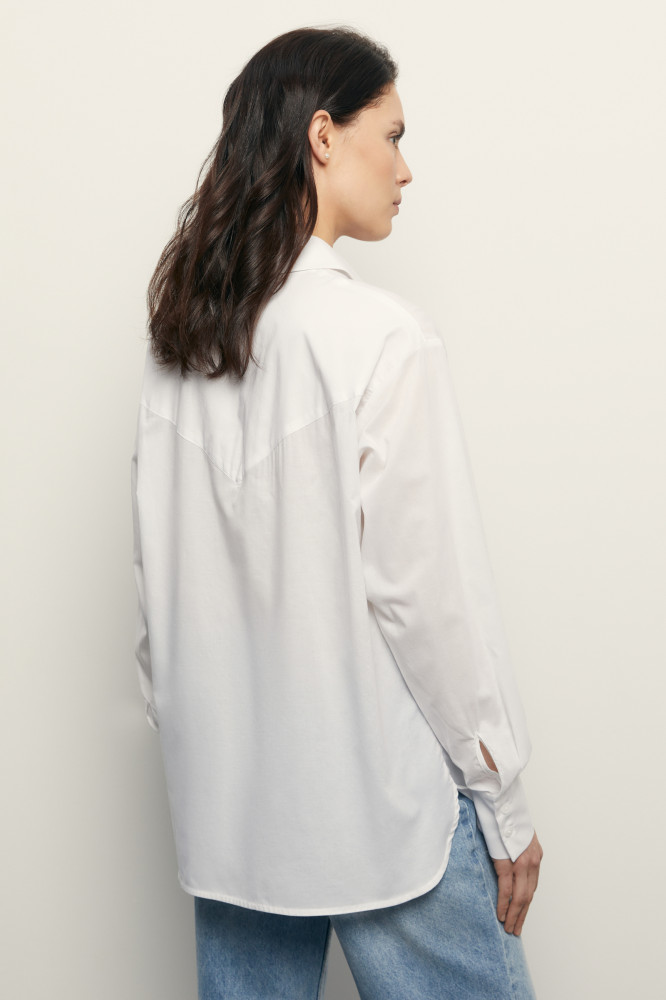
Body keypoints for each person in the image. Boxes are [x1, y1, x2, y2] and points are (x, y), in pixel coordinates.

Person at [131, 24, 543, 1000]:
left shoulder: (181, 349)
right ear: (324, 135)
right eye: (391, 135)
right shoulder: (380, 336)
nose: (406, 169)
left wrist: (208, 747)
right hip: (380, 813)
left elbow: (156, 603)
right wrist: (503, 795)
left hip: (231, 825)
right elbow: (431, 600)